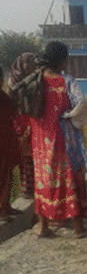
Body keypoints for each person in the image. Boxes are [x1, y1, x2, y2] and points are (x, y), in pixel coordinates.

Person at [31, 41, 87, 237]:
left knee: (43, 179)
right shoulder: (66, 81)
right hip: (63, 137)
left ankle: (43, 227)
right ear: (62, 60)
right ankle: (78, 227)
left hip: (40, 139)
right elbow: (82, 102)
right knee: (71, 177)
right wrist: (71, 116)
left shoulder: (36, 79)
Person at [8, 53, 37, 199]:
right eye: (27, 63)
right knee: (25, 156)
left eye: (31, 64)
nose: (29, 67)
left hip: (33, 119)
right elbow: (13, 105)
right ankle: (27, 188)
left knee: (35, 156)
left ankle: (36, 186)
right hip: (20, 120)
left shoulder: (34, 78)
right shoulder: (14, 81)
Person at [0, 66, 23, 221]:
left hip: (7, 139)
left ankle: (6, 206)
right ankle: (2, 210)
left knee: (7, 174)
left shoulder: (3, 96)